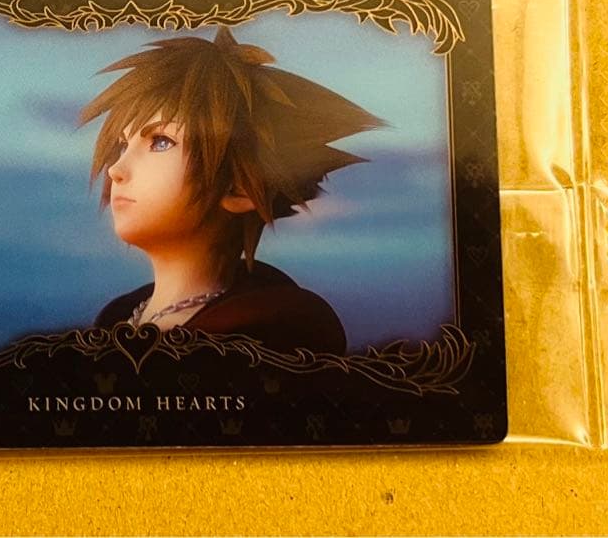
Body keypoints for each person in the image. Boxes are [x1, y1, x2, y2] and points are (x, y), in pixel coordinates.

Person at [78, 26, 384, 355]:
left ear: (240, 188)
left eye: (161, 141)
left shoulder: (272, 339)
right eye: (122, 145)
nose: (116, 169)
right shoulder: (116, 320)